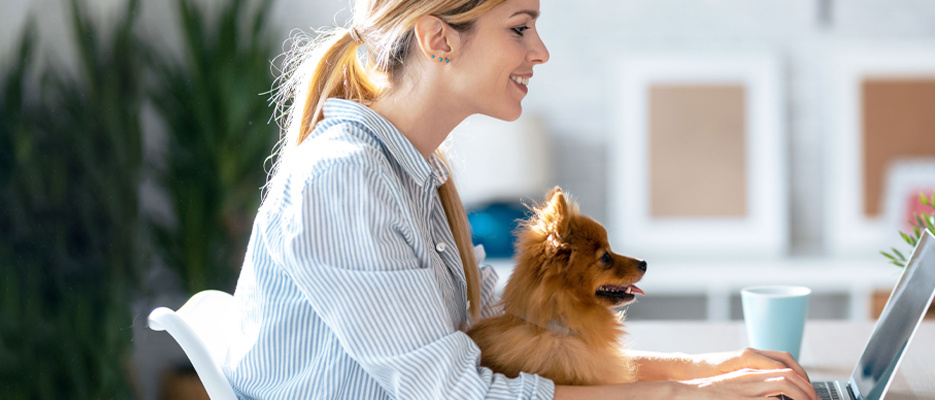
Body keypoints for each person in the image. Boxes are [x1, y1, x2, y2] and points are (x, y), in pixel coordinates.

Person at [224, 0, 820, 398]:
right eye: (519, 27)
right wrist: (680, 395)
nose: (540, 51)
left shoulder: (414, 175)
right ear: (439, 39)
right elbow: (464, 393)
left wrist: (705, 368)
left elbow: (512, 346)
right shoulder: (346, 178)